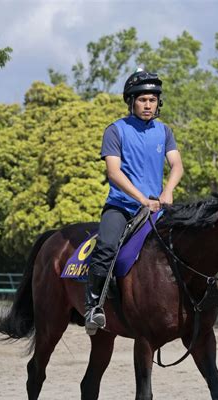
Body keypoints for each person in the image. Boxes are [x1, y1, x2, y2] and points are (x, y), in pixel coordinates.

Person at [85, 69, 184, 335]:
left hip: (157, 208)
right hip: (122, 207)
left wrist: (168, 190)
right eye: (142, 100)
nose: (148, 105)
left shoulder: (164, 132)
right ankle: (94, 306)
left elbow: (176, 165)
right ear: (131, 101)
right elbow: (114, 172)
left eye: (152, 100)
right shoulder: (115, 130)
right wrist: (141, 198)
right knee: (106, 246)